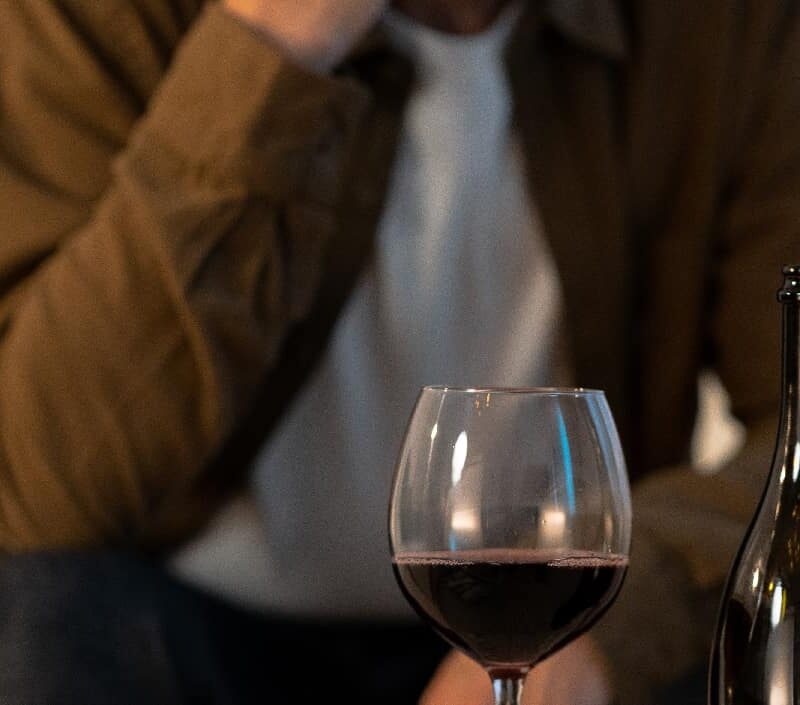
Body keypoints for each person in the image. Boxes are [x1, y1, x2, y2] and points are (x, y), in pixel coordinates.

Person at [0, 0, 797, 703]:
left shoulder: (729, 24)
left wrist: (619, 635)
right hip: (189, 633)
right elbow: (35, 495)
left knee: (755, 640)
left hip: (565, 633)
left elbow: (790, 441)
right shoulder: (92, 17)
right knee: (32, 623)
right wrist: (270, 47)